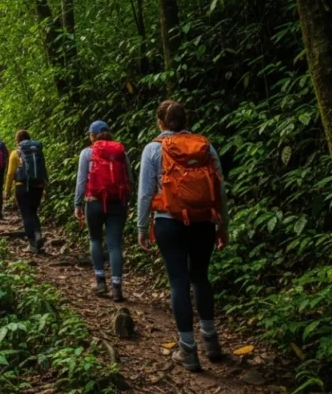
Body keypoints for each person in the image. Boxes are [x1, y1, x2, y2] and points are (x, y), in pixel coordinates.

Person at [138, 100, 229, 372]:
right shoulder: (205, 146)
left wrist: (142, 228)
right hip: (203, 222)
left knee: (178, 282)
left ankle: (188, 351)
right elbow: (220, 188)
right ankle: (211, 342)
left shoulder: (153, 148)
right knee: (200, 276)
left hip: (169, 222)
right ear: (186, 120)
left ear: (160, 122)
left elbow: (144, 194)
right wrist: (223, 225)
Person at [74, 121, 134, 302]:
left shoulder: (87, 153)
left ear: (92, 135)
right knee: (115, 244)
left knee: (95, 239)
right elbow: (129, 179)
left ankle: (100, 281)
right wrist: (126, 200)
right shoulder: (120, 152)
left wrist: (77, 204)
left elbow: (81, 180)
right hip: (117, 203)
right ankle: (117, 287)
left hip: (94, 202)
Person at [5, 130, 47, 253]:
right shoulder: (37, 151)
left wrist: (7, 190)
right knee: (33, 212)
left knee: (26, 215)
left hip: (22, 186)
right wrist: (44, 186)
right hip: (38, 186)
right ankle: (38, 234)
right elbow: (44, 169)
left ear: (18, 140)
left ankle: (32, 244)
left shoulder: (15, 153)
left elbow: (10, 173)